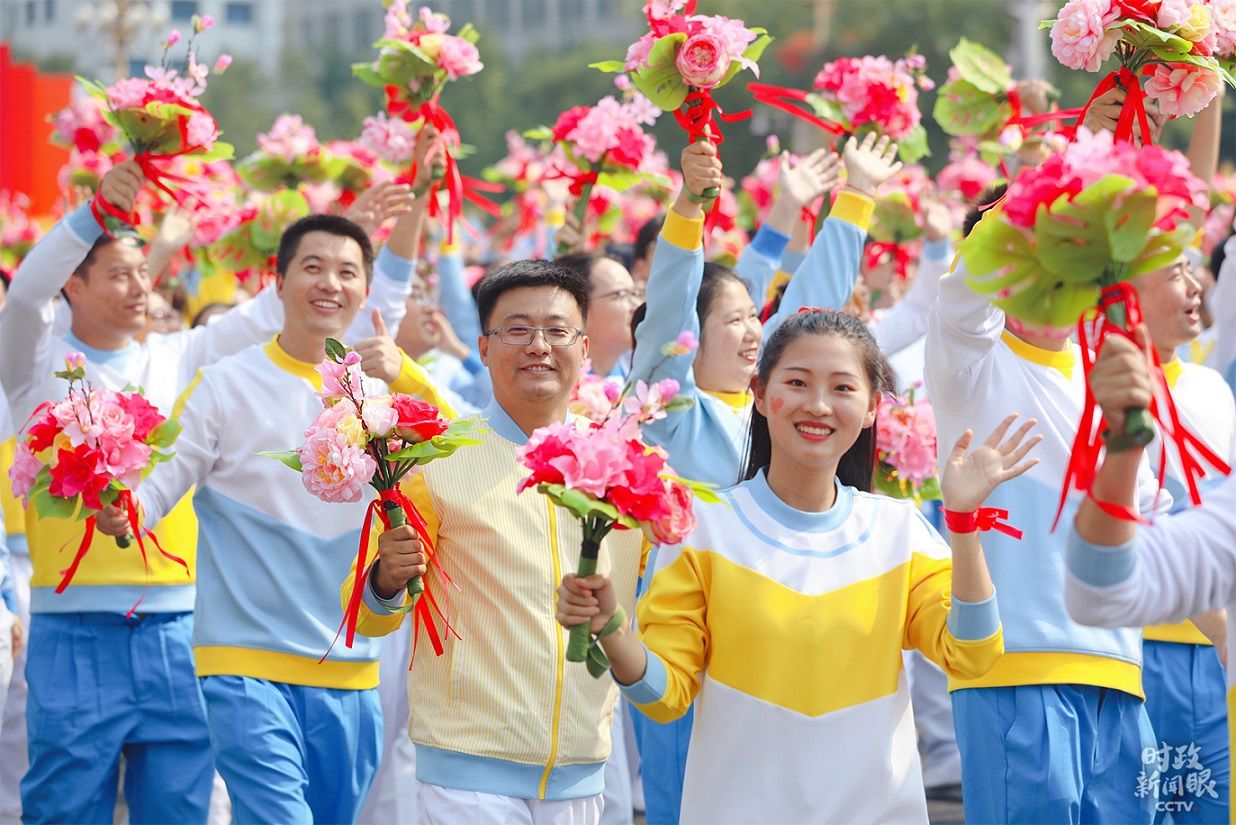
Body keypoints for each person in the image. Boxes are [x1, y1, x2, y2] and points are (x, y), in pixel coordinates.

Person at [2, 154, 429, 823]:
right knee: (64, 808)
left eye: (145, 272)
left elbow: (288, 309)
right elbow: (26, 296)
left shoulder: (182, 357)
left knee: (179, 811)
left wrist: (339, 235)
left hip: (178, 626)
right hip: (74, 626)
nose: (140, 286)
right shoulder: (34, 366)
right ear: (73, 285)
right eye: (119, 273)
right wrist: (93, 215)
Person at [556, 309, 1033, 823]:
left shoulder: (900, 531)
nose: (819, 405)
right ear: (760, 394)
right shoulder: (706, 529)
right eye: (798, 383)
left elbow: (972, 655)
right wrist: (612, 630)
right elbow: (664, 695)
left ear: (872, 407)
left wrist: (962, 523)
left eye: (842, 388)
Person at [94, 209, 450, 822]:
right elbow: (159, 485)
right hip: (243, 662)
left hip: (351, 669)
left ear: (366, 290)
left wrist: (408, 376)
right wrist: (126, 512)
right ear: (278, 282)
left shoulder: (384, 400)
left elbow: (466, 457)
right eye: (312, 267)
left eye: (347, 272)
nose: (329, 283)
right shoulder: (224, 384)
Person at [627, 133, 900, 825]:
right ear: (691, 338)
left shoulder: (774, 411)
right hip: (690, 639)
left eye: (756, 315)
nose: (755, 331)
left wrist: (856, 198)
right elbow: (666, 308)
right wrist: (690, 207)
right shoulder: (673, 414)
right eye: (734, 319)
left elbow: (810, 319)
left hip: (774, 639)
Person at [345, 259, 646, 825]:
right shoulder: (437, 461)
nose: (538, 346)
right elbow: (366, 614)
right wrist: (385, 578)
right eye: (517, 329)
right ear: (483, 347)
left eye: (557, 331)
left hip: (582, 764)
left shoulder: (622, 464)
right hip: (468, 770)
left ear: (584, 348)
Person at [926, 191, 1168, 824]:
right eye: (1035, 253)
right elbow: (962, 299)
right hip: (1015, 668)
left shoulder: (1112, 379)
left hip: (1120, 673)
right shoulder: (969, 364)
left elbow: (1151, 526)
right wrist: (1038, 192)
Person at [1129, 255, 1233, 823]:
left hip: (1217, 653)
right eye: (1174, 273)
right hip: (1138, 650)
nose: (1196, 286)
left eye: (1192, 268)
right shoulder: (1095, 387)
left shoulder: (1212, 386)